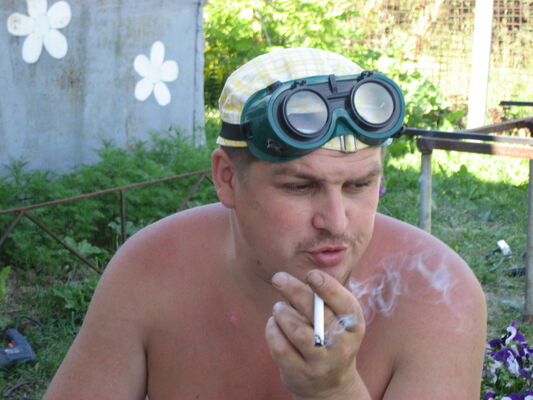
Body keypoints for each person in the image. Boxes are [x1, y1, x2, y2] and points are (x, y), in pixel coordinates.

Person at [43, 48, 487, 400]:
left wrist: (336, 392)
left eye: (358, 185)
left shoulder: (437, 293)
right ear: (227, 178)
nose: (335, 222)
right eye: (300, 186)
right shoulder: (152, 268)